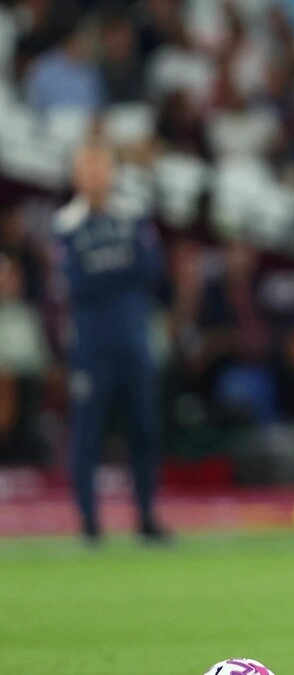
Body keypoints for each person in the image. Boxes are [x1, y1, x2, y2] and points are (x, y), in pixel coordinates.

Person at [55, 144, 168, 545]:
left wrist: (103, 273)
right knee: (88, 431)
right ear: (76, 176)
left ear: (112, 173)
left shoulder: (133, 214)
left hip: (134, 339)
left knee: (145, 428)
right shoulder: (65, 224)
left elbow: (150, 269)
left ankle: (147, 515)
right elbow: (76, 283)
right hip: (90, 344)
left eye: (101, 168)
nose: (95, 176)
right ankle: (88, 520)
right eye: (88, 168)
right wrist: (119, 272)